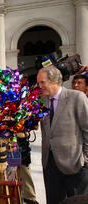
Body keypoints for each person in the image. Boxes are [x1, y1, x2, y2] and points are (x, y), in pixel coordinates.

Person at [37, 65, 88, 204]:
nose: (39, 86)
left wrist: (85, 158)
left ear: (54, 81)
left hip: (75, 164)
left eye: (42, 82)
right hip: (50, 165)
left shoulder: (77, 97)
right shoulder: (42, 101)